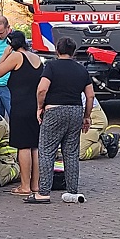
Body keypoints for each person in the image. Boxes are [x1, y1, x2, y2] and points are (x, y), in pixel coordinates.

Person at [30, 37, 94, 204]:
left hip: (54, 110)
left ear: (57, 50)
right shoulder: (81, 70)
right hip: (75, 111)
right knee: (71, 152)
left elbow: (42, 89)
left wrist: (39, 107)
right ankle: (72, 191)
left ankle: (43, 192)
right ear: (73, 52)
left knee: (46, 151)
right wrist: (86, 116)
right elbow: (90, 95)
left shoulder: (51, 66)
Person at [0, 30, 42, 196]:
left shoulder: (17, 57)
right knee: (34, 146)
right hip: (35, 106)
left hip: (21, 106)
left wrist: (5, 55)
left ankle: (25, 186)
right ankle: (35, 184)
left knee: (23, 146)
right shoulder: (35, 58)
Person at [78, 95, 120, 161]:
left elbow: (90, 95)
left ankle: (105, 142)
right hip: (81, 117)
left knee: (80, 154)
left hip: (94, 120)